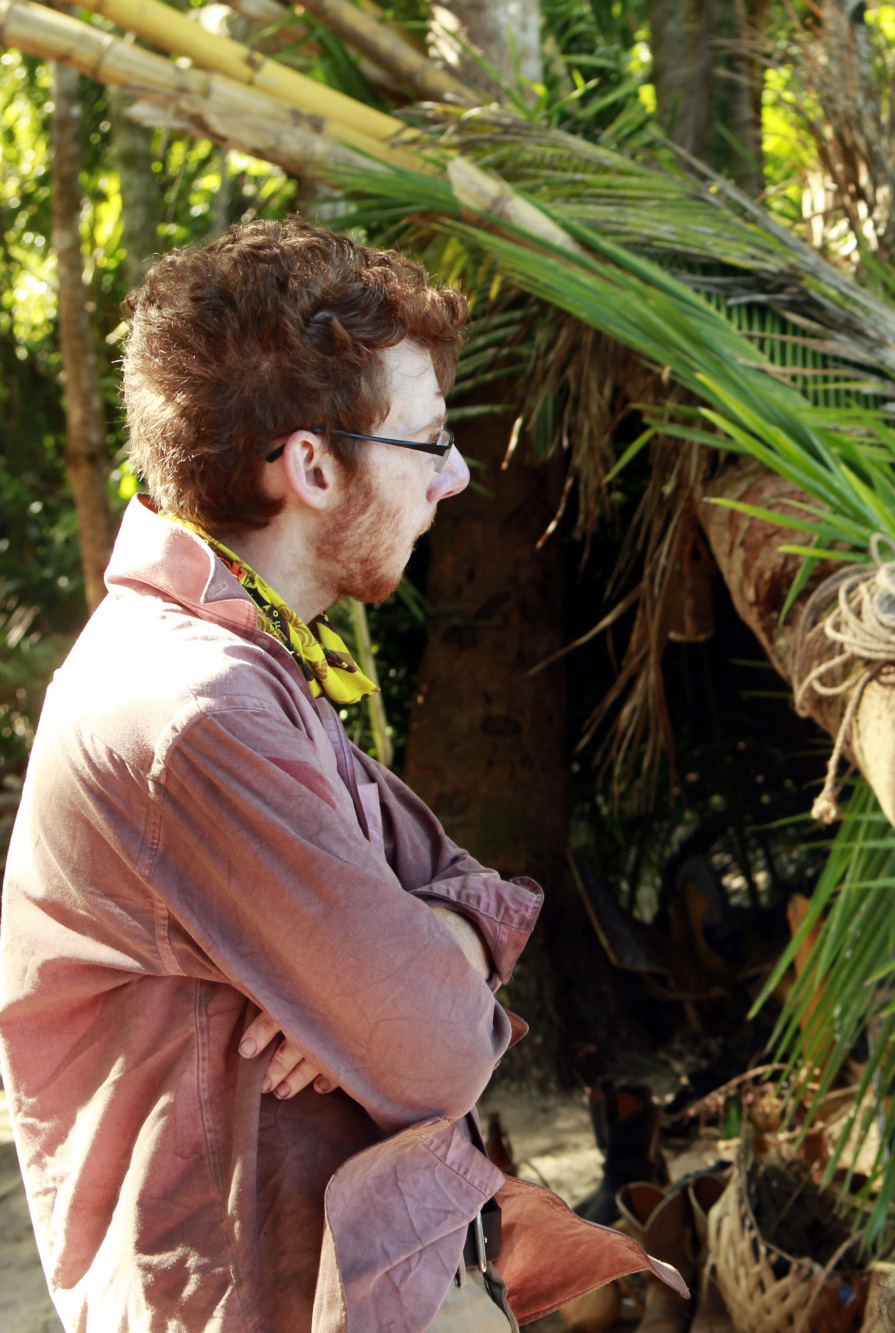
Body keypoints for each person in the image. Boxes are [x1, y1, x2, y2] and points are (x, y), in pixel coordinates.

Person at [0, 220, 675, 1331]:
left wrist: (415, 944)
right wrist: (406, 971)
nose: (453, 479)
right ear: (312, 464)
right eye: (429, 444)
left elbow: (456, 882)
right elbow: (441, 1049)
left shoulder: (245, 656)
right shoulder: (196, 708)